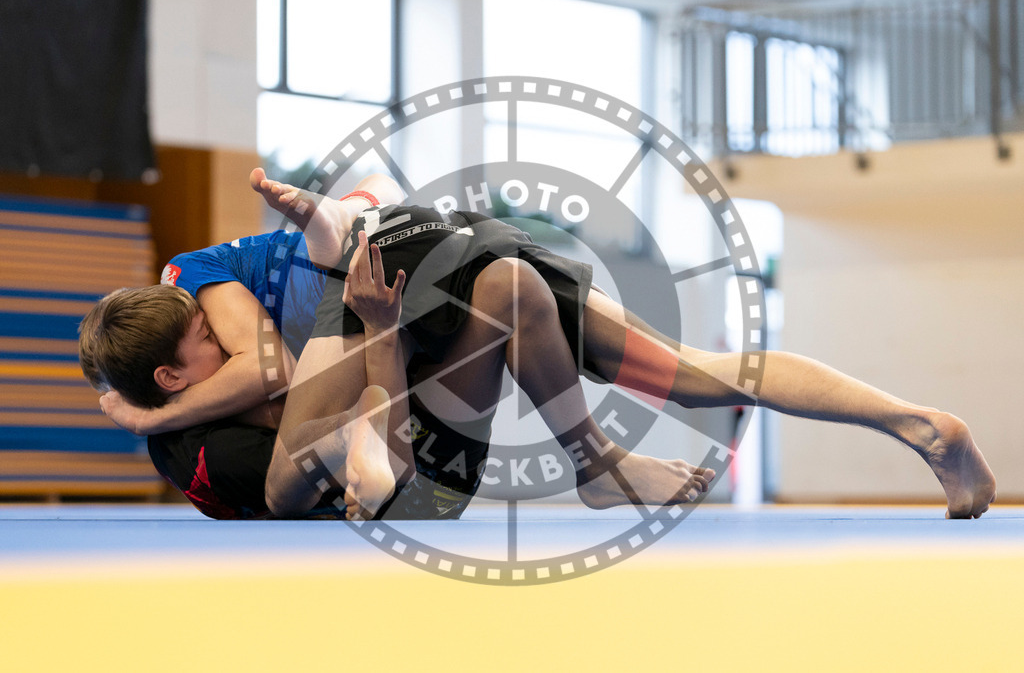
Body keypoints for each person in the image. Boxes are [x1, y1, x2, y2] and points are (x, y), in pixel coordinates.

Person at [254, 168, 997, 521]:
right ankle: (922, 425)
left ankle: (598, 462)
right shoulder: (364, 224)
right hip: (471, 246)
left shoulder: (254, 291)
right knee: (706, 370)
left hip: (378, 268)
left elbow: (285, 481)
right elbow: (368, 202)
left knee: (295, 477)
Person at [79, 172, 713, 520]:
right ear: (170, 376)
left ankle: (594, 462)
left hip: (413, 445)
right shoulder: (198, 451)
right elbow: (294, 468)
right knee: (337, 421)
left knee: (511, 286)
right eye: (208, 339)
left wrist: (144, 414)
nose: (230, 335)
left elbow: (285, 381)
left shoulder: (206, 378)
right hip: (415, 497)